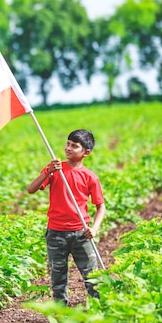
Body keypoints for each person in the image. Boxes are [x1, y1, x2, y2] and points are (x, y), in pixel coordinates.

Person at [27, 129, 106, 305]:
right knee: (58, 278)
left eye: (74, 146)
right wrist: (47, 172)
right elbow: (31, 189)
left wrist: (94, 228)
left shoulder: (90, 177)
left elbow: (101, 206)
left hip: (81, 233)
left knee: (93, 277)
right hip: (55, 233)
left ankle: (99, 310)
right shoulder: (55, 169)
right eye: (68, 144)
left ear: (86, 152)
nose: (68, 148)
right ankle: (61, 313)